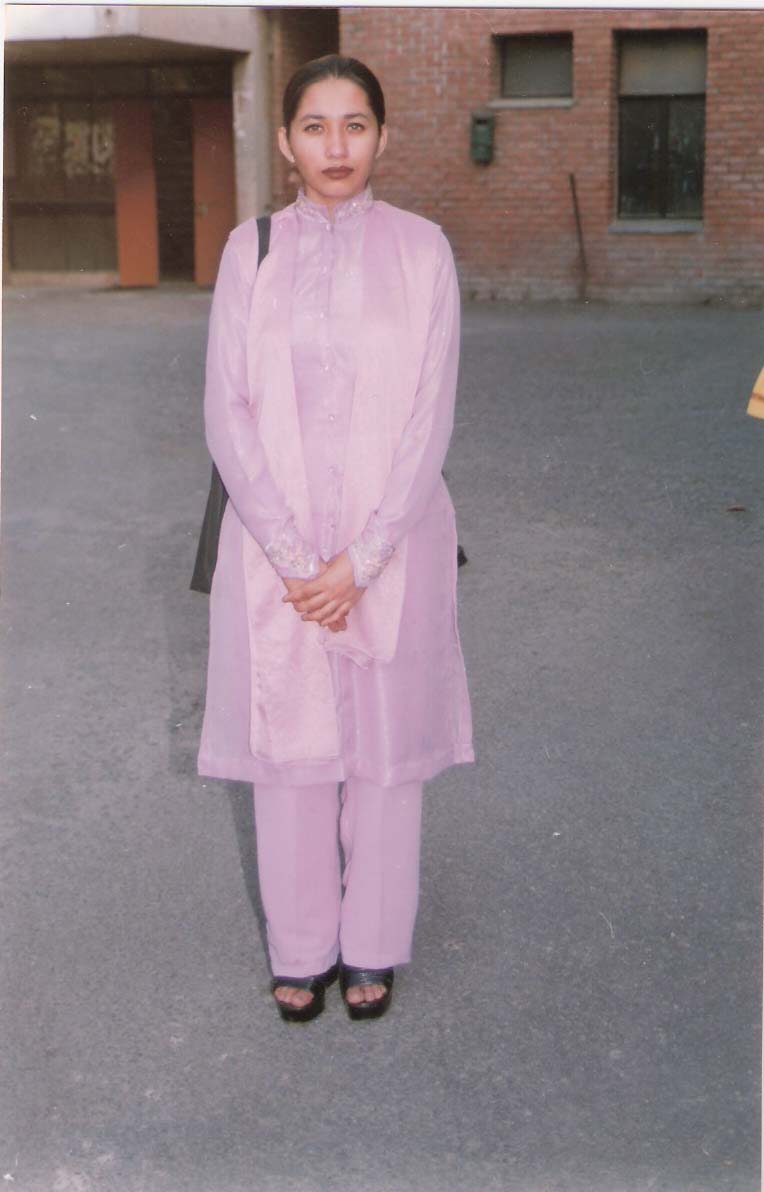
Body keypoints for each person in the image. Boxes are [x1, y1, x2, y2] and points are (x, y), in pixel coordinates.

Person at [197, 54, 474, 1022]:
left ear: (382, 136)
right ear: (285, 142)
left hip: (390, 543)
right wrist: (293, 559)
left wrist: (362, 560)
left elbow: (429, 419)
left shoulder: (422, 251)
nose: (336, 146)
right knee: (292, 747)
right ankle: (302, 946)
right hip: (277, 553)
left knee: (386, 755)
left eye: (355, 125)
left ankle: (373, 943)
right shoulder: (251, 252)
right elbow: (227, 412)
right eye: (314, 126)